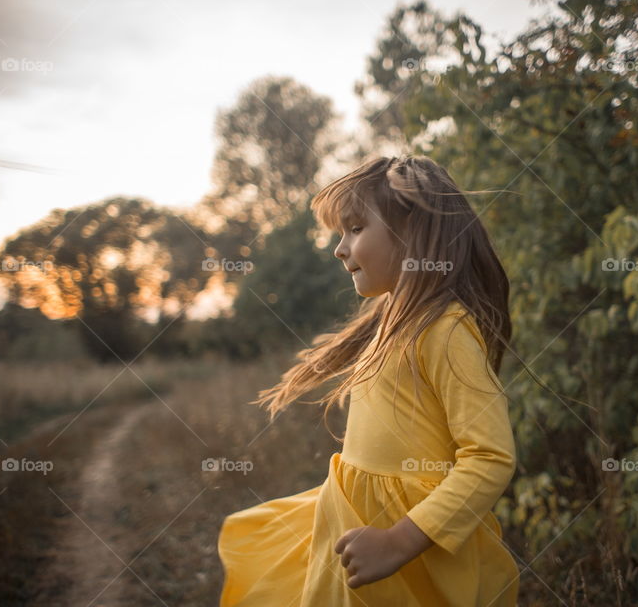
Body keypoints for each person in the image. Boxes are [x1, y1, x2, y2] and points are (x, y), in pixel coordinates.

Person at [217, 155, 521, 606]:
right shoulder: (392, 323)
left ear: (412, 231)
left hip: (408, 557)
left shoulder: (445, 329)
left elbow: (490, 457)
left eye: (356, 229)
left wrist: (399, 542)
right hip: (357, 531)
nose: (340, 249)